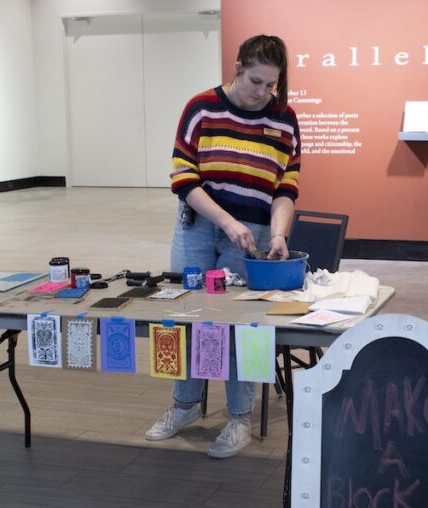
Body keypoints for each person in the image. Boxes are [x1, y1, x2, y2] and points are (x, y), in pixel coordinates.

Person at [145, 34, 301, 459]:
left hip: (253, 236)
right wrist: (227, 221)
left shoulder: (284, 118)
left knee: (239, 325)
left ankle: (238, 418)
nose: (263, 92)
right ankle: (185, 405)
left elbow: (286, 186)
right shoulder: (201, 108)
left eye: (271, 84)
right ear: (236, 67)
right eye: (255, 81)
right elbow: (183, 179)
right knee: (184, 314)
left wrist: (280, 233)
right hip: (199, 227)